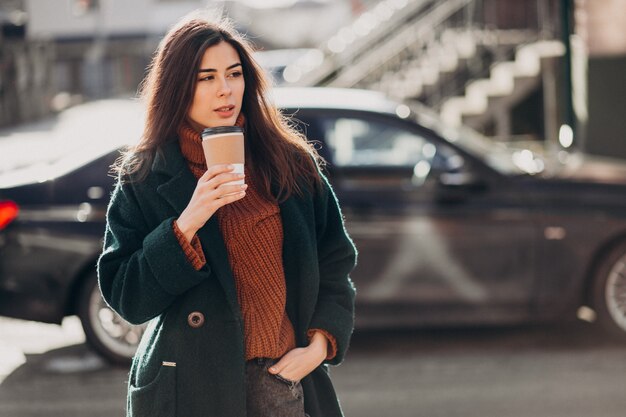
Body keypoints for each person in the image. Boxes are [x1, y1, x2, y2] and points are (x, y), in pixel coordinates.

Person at [96, 11, 357, 417]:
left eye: (234, 74)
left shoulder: (290, 162)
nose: (225, 90)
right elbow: (127, 296)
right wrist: (188, 222)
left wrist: (320, 344)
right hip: (190, 389)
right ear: (178, 87)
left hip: (282, 379)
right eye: (206, 78)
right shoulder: (145, 175)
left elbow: (335, 260)